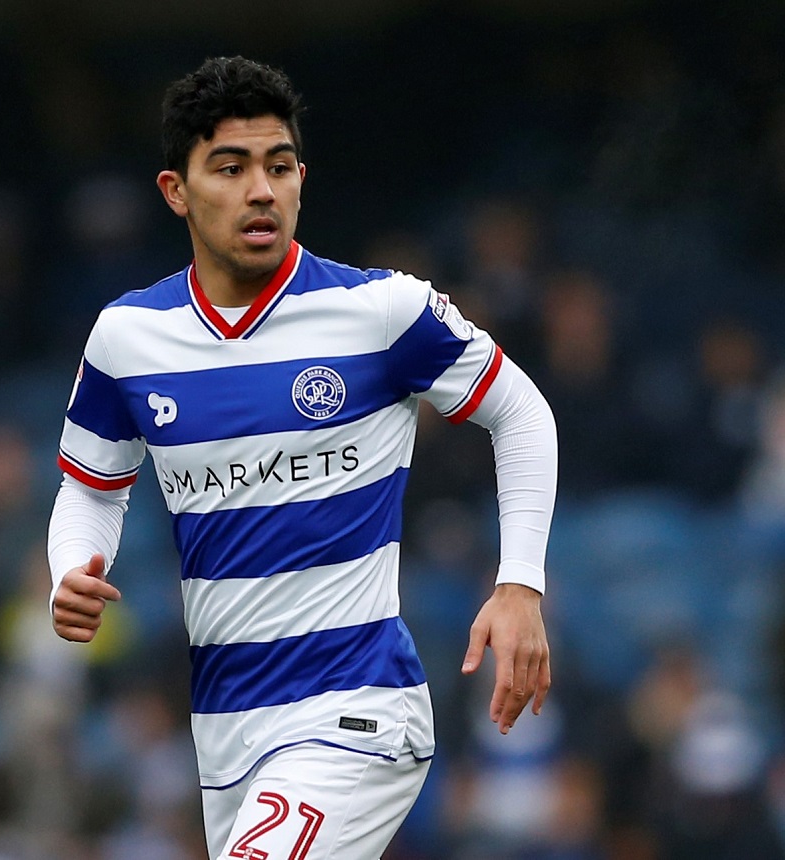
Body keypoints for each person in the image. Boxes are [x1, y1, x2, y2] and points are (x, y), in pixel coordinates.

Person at [47, 56, 557, 860]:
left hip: (357, 711)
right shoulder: (127, 338)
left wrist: (519, 583)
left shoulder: (381, 311)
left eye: (278, 167)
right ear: (176, 191)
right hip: (226, 729)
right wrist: (71, 569)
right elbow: (91, 488)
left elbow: (521, 412)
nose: (261, 190)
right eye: (231, 168)